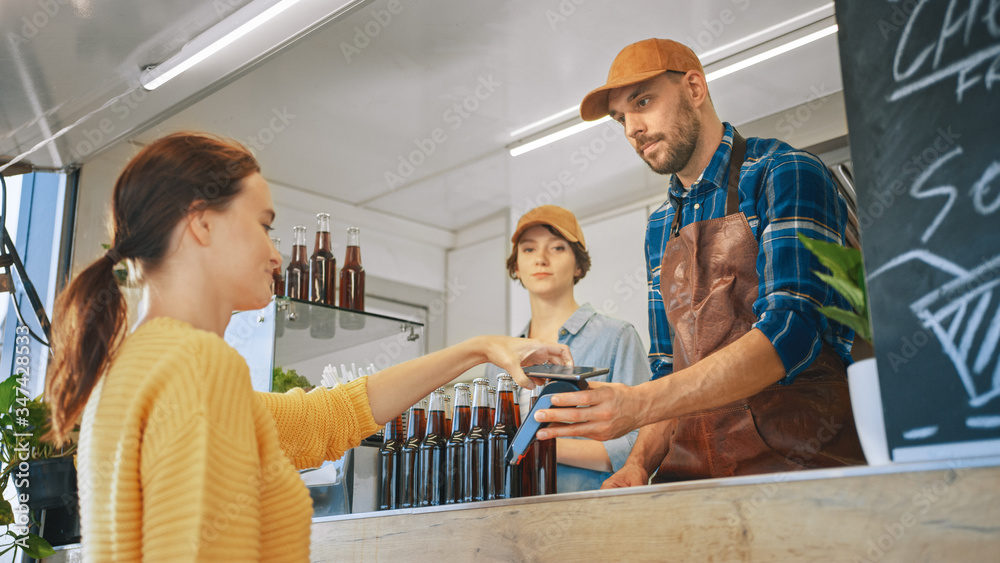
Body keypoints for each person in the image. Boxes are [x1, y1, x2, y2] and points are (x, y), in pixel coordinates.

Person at [45, 132, 571, 561]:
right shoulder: (197, 366)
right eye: (264, 225)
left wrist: (477, 349)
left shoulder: (138, 368)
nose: (276, 255)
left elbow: (327, 419)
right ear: (201, 222)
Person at [534, 38, 864, 486]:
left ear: (693, 88)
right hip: (688, 480)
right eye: (621, 119)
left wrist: (640, 403)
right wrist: (637, 463)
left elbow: (791, 331)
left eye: (643, 102)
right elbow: (669, 365)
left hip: (799, 473)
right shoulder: (661, 227)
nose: (632, 129)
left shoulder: (782, 173)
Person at [484, 205, 651, 492]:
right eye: (528, 250)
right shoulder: (499, 359)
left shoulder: (616, 337)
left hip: (588, 514)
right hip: (507, 509)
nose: (541, 259)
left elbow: (641, 445)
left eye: (557, 248)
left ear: (578, 265)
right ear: (516, 267)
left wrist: (534, 443)